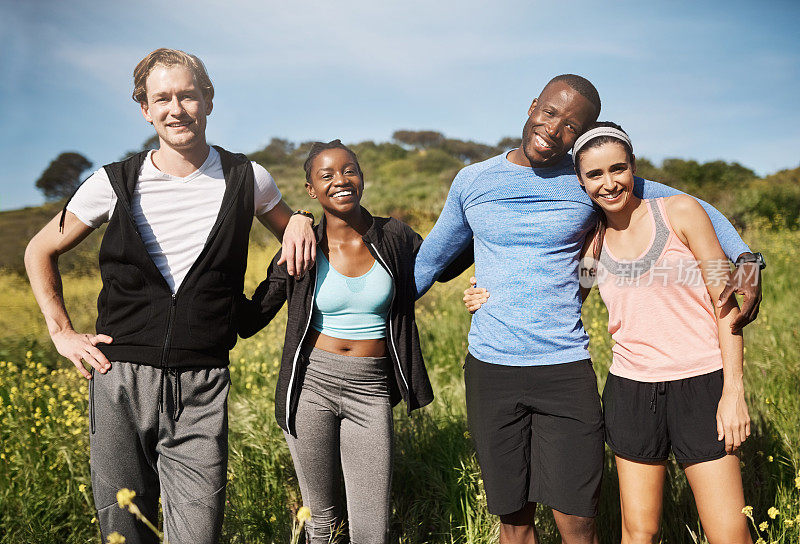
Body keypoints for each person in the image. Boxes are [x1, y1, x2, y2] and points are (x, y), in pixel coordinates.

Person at [414, 74, 763, 544]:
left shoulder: (589, 177)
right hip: (495, 368)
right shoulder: (472, 181)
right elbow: (431, 260)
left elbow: (693, 207)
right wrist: (377, 307)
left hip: (566, 366)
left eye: (571, 126)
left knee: (578, 521)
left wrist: (746, 260)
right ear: (534, 104)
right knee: (515, 523)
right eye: (551, 113)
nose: (554, 129)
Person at [24, 48, 316, 544]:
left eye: (187, 95)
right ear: (144, 108)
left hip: (202, 382)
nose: (175, 108)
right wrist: (62, 333)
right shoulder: (112, 183)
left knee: (197, 534)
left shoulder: (249, 179)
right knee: (124, 532)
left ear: (208, 99)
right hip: (117, 378)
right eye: (162, 98)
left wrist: (302, 222)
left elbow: (295, 237)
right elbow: (38, 250)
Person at [238, 140, 451, 544]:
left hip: (370, 389)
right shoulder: (303, 246)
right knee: (322, 521)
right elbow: (252, 317)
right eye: (327, 175)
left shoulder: (395, 236)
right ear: (310, 189)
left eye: (349, 170)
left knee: (371, 529)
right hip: (311, 386)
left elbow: (443, 261)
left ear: (362, 177)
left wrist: (484, 280)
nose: (341, 180)